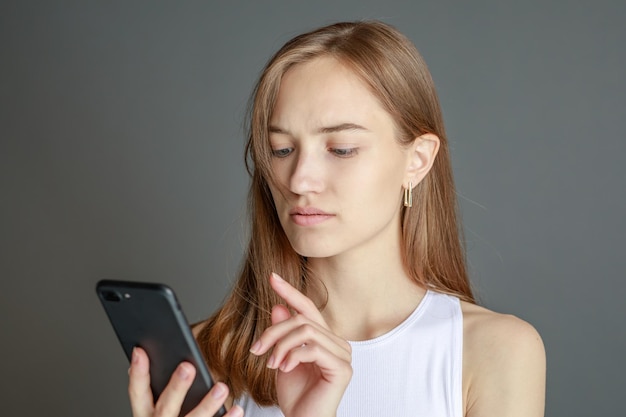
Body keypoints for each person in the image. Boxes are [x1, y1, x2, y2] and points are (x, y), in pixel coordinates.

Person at [127, 20, 546, 417]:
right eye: (281, 150)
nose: (300, 179)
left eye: (341, 148)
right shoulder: (209, 356)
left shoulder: (495, 352)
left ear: (417, 161)